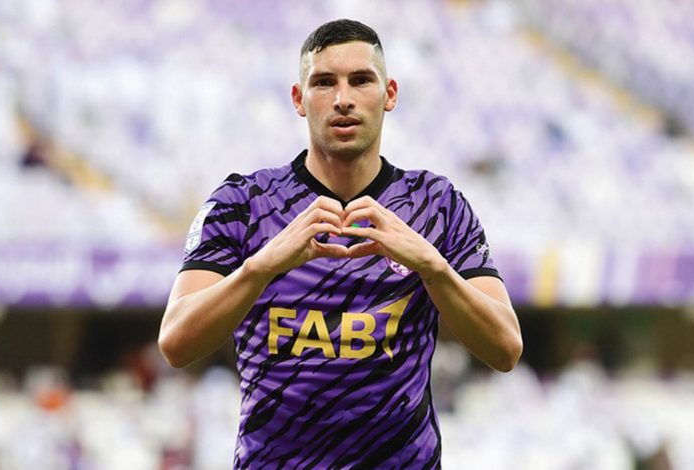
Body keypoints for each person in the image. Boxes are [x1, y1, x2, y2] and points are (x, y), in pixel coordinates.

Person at [159, 19, 522, 468]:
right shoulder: (243, 203)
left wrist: (433, 268)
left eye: (361, 80)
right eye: (324, 82)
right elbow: (175, 342)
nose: (343, 99)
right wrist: (261, 267)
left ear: (390, 94)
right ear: (299, 99)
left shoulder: (436, 204)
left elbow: (506, 348)